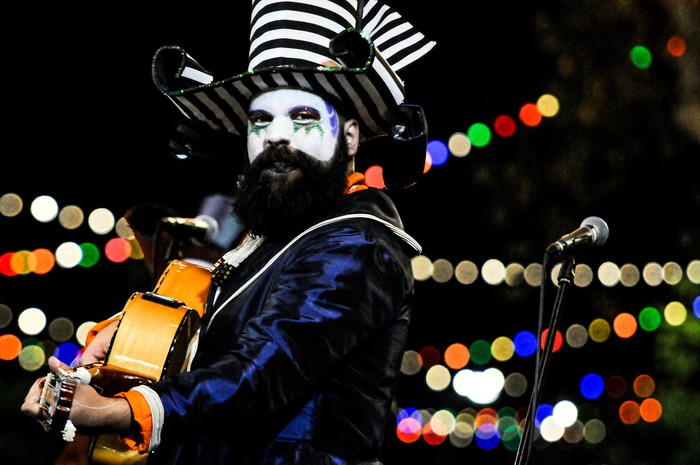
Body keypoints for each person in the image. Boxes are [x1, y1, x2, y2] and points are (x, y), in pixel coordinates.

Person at [22, 1, 435, 464]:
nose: (277, 136)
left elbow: (261, 371)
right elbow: (227, 332)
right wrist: (121, 345)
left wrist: (118, 410)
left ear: (352, 137)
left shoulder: (357, 243)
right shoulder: (281, 235)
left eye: (302, 117)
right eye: (261, 120)